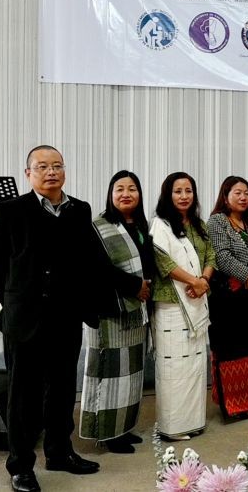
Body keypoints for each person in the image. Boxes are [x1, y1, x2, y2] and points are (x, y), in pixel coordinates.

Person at [0, 145, 102, 492]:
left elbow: (85, 259)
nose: (51, 172)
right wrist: (17, 299)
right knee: (24, 395)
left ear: (64, 171)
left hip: (66, 316)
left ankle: (60, 452)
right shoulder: (10, 211)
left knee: (64, 389)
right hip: (26, 318)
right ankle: (20, 466)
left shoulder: (79, 210)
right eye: (42, 166)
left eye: (57, 166)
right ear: (28, 173)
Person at [80, 170, 156, 454]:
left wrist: (144, 288)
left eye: (132, 188)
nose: (126, 194)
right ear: (111, 195)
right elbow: (97, 269)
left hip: (136, 311)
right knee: (110, 375)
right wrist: (135, 285)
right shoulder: (98, 227)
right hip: (111, 312)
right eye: (120, 189)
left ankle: (123, 427)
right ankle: (107, 433)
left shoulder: (139, 225)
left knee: (132, 376)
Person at [149, 172, 215, 440]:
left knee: (195, 364)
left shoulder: (199, 224)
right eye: (178, 191)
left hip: (197, 300)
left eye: (188, 191)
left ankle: (193, 421)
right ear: (168, 195)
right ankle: (172, 427)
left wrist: (203, 281)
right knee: (173, 366)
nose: (184, 196)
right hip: (171, 304)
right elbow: (162, 262)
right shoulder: (159, 225)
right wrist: (194, 281)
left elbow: (211, 255)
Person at [206, 176, 248, 419]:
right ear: (225, 196)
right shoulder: (217, 222)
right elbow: (221, 257)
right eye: (237, 193)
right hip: (228, 299)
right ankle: (233, 406)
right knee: (231, 351)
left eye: (246, 193)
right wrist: (247, 277)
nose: (243, 197)